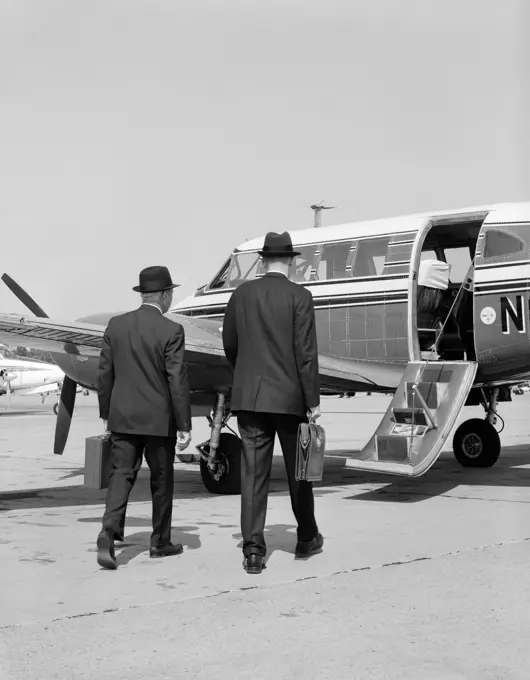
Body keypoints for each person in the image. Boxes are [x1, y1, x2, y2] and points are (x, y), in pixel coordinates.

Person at [222, 231, 323, 575]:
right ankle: (306, 536)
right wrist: (311, 399)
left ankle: (253, 550)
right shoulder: (300, 296)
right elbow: (305, 354)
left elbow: (230, 345)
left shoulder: (241, 294)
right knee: (300, 472)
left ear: (263, 260)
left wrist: (246, 376)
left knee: (253, 475)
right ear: (292, 261)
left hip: (249, 398)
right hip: (289, 398)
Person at [96, 265, 192, 570]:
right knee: (162, 480)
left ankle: (108, 533)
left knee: (121, 474)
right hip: (158, 420)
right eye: (171, 294)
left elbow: (104, 375)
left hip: (122, 417)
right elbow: (177, 381)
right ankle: (160, 542)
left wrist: (105, 413)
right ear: (164, 295)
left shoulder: (116, 325)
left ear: (143, 293)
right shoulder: (171, 330)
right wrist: (185, 425)